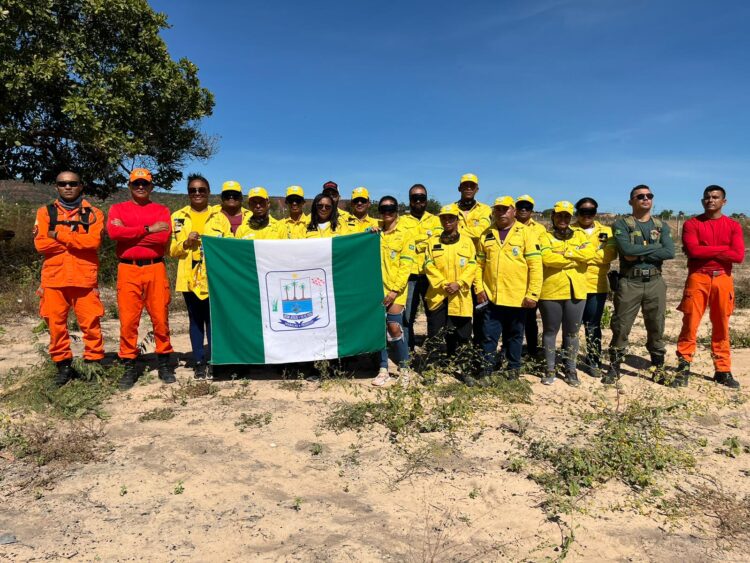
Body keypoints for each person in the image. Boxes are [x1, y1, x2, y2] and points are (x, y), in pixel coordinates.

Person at [33, 171, 105, 386]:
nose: (68, 187)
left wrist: (61, 235)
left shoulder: (94, 214)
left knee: (91, 324)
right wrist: (76, 239)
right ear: (56, 187)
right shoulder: (45, 213)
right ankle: (63, 367)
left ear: (80, 186)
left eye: (73, 183)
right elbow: (41, 244)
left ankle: (92, 366)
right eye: (63, 184)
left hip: (84, 278)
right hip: (54, 279)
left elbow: (93, 243)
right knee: (56, 326)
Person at [107, 168, 175, 389]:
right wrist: (148, 229)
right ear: (129, 186)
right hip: (128, 269)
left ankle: (164, 360)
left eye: (144, 184)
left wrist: (131, 234)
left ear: (151, 186)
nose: (140, 187)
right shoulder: (117, 209)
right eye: (136, 183)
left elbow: (161, 239)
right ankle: (129, 362)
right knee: (128, 320)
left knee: (160, 318)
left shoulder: (161, 210)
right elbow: (114, 234)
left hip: (155, 268)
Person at [604, 185, 675, 385]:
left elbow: (669, 252)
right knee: (621, 326)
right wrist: (656, 247)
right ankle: (614, 368)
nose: (645, 199)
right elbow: (626, 250)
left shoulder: (661, 225)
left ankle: (658, 369)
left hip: (655, 282)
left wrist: (639, 251)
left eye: (649, 195)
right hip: (629, 282)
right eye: (640, 196)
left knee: (656, 325)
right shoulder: (622, 224)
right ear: (631, 201)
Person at [676, 185, 745, 388]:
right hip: (698, 278)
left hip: (723, 278)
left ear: (724, 201)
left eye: (715, 197)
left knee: (721, 325)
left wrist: (707, 250)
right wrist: (724, 249)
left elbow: (738, 256)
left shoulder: (733, 226)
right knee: (690, 323)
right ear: (702, 201)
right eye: (707, 197)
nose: (710, 200)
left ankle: (722, 371)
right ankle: (683, 367)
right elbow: (693, 251)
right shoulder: (692, 224)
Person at [475, 197, 542, 384]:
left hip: (517, 297)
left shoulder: (526, 233)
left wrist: (533, 294)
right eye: (498, 209)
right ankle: (486, 372)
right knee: (488, 336)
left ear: (513, 211)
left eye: (505, 209)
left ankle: (513, 371)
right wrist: (479, 289)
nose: (501, 213)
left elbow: (535, 266)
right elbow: (479, 265)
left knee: (514, 336)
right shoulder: (486, 234)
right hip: (492, 297)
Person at [538, 201, 596, 386]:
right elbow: (547, 258)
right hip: (551, 290)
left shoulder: (579, 235)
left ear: (570, 218)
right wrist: (574, 258)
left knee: (572, 332)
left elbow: (589, 253)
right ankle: (549, 368)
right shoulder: (544, 236)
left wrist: (564, 253)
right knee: (550, 331)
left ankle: (570, 368)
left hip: (576, 290)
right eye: (559, 215)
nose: (562, 219)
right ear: (553, 216)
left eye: (566, 216)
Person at [169, 174, 215, 379]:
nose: (197, 193)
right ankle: (198, 361)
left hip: (214, 277)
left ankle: (214, 359)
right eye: (193, 190)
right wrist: (185, 243)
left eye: (201, 190)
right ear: (188, 193)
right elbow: (172, 251)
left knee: (214, 320)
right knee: (195, 321)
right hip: (189, 277)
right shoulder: (177, 217)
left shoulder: (219, 216)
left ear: (208, 192)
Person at [423, 204, 476, 365]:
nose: (447, 221)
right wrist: (445, 283)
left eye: (450, 218)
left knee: (462, 333)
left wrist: (459, 283)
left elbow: (472, 265)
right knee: (435, 333)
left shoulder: (467, 242)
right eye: (444, 218)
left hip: (460, 295)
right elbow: (428, 265)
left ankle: (464, 367)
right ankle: (431, 368)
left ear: (457, 220)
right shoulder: (433, 242)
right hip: (439, 294)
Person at [372, 196, 416, 386]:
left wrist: (394, 291)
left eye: (391, 209)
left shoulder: (405, 234)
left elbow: (406, 266)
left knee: (394, 327)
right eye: (383, 209)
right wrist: (369, 232)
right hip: (375, 289)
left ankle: (404, 368)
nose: (387, 213)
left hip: (396, 291)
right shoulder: (375, 232)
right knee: (379, 330)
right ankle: (383, 368)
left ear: (397, 210)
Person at [572, 197, 617, 378]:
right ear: (577, 212)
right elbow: (566, 253)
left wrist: (580, 254)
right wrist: (594, 252)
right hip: (573, 284)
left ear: (595, 212)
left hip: (596, 286)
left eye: (591, 211)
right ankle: (569, 361)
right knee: (571, 327)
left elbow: (609, 255)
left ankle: (594, 361)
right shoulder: (569, 230)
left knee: (592, 326)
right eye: (583, 211)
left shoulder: (606, 231)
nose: (587, 215)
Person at [401, 183, 443, 351]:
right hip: (410, 275)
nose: (418, 201)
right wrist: (424, 241)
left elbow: (437, 242)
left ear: (426, 200)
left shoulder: (436, 220)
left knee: (434, 314)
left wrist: (415, 242)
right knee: (408, 316)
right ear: (410, 200)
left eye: (422, 197)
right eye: (414, 198)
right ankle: (408, 351)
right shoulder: (401, 221)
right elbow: (403, 242)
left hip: (431, 275)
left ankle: (434, 352)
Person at [455, 173, 492, 348]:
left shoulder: (485, 210)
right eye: (465, 185)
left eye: (472, 186)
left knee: (480, 308)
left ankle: (478, 348)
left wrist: (458, 230)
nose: (468, 188)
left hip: (478, 266)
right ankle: (458, 348)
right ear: (459, 188)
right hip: (456, 266)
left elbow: (481, 232)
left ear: (477, 189)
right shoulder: (450, 209)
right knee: (459, 309)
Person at [515, 195, 547, 359]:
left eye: (527, 207)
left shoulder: (540, 229)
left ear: (532, 210)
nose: (523, 209)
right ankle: (512, 350)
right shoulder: (507, 226)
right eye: (520, 206)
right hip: (512, 280)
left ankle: (533, 350)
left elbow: (540, 253)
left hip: (530, 280)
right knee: (512, 319)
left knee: (530, 318)